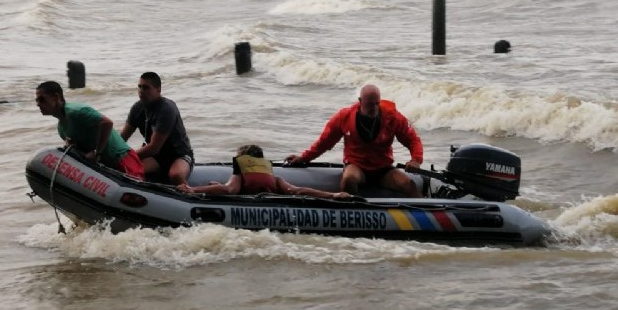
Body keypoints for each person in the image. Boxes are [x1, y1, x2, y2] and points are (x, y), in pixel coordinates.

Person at [285, 84, 423, 196]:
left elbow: (413, 139)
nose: (374, 108)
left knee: (408, 184)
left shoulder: (393, 117)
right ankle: (352, 212)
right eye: (370, 104)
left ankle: (426, 217)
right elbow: (324, 142)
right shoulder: (343, 117)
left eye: (376, 104)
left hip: (383, 169)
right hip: (357, 167)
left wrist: (416, 159)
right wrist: (304, 158)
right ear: (360, 101)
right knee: (349, 179)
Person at [35, 81, 145, 179]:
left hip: (122, 158)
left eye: (41, 99)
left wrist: (97, 153)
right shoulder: (61, 129)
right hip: (107, 168)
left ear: (56, 97)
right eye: (36, 101)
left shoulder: (75, 111)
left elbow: (107, 123)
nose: (38, 104)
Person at [178, 144, 351, 199]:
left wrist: (194, 189)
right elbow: (298, 191)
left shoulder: (241, 173)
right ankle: (335, 196)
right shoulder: (275, 179)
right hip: (273, 201)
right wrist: (332, 195)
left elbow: (229, 190)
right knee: (294, 190)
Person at [120, 72, 194, 186]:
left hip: (179, 155)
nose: (141, 91)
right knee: (127, 169)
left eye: (146, 87)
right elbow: (122, 138)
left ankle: (190, 194)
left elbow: (154, 148)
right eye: (139, 87)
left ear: (158, 90)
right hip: (156, 158)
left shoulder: (167, 108)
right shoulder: (137, 108)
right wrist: (108, 151)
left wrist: (128, 156)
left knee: (175, 175)